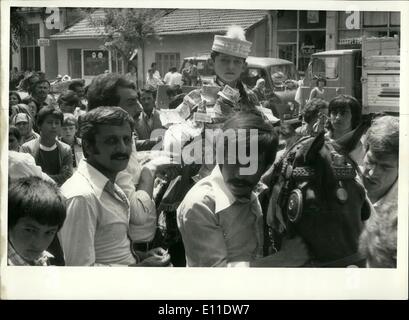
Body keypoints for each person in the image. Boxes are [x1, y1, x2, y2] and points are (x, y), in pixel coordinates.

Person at [177, 111, 308, 267]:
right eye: (233, 160)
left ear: (265, 167)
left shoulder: (256, 193)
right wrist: (284, 259)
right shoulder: (201, 205)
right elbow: (215, 279)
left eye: (250, 165)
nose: (239, 173)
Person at [59, 107, 170, 266]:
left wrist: (141, 256)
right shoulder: (83, 197)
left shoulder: (109, 183)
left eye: (126, 140)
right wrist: (142, 268)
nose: (123, 149)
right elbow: (80, 274)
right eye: (111, 141)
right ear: (88, 146)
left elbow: (107, 250)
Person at [86, 73, 177, 256]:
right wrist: (150, 169)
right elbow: (138, 213)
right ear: (109, 109)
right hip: (133, 249)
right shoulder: (111, 156)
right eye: (131, 102)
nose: (139, 108)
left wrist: (152, 155)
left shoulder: (120, 140)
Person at [359, 116, 399, 268]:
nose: (373, 173)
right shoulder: (347, 183)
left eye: (385, 167)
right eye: (370, 161)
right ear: (365, 150)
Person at [8, 177, 66, 266]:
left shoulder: (43, 259)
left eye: (49, 232)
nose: (39, 244)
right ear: (9, 225)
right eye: (29, 230)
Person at [20, 106, 73, 186]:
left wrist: (38, 177)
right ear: (39, 125)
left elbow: (66, 177)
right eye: (49, 122)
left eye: (57, 123)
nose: (54, 126)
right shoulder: (27, 148)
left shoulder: (65, 149)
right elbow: (26, 176)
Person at [326, 94, 365, 165]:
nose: (338, 117)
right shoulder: (321, 141)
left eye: (343, 113)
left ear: (354, 116)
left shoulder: (364, 144)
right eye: (334, 113)